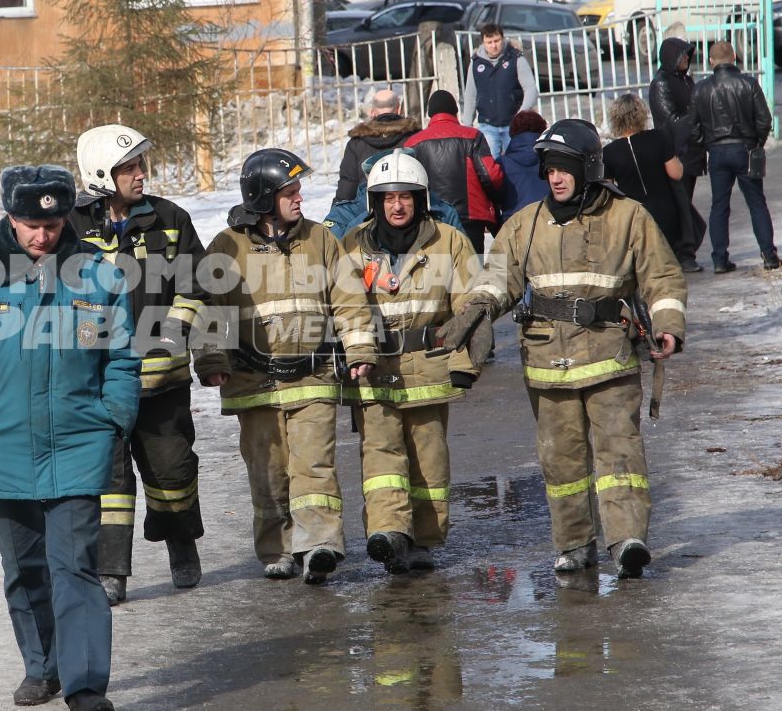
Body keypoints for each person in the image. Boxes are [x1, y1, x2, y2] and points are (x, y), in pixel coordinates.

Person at [0, 165, 140, 711]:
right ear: (9, 217)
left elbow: (122, 359)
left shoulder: (97, 276)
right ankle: (42, 666)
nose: (42, 235)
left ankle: (84, 686)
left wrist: (112, 418)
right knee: (24, 569)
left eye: (52, 223)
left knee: (74, 567)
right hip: (1, 444)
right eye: (30, 224)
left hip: (78, 441)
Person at [437, 120, 687, 579]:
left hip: (610, 357)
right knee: (562, 461)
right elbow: (499, 278)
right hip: (547, 365)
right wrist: (478, 308)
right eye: (550, 167)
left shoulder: (627, 217)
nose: (555, 177)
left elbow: (662, 276)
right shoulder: (524, 225)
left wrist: (667, 322)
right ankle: (574, 544)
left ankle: (626, 538)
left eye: (565, 167)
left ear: (587, 167)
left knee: (620, 455)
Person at [193, 149, 356, 585]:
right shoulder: (227, 247)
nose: (300, 198)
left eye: (299, 190)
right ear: (264, 197)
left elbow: (350, 300)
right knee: (267, 472)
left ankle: (320, 544)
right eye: (290, 192)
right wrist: (211, 361)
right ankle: (278, 549)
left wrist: (360, 353)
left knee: (315, 466)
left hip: (313, 376)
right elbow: (209, 308)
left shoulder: (320, 239)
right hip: (254, 381)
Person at [68, 125, 207, 605]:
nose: (141, 174)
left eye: (141, 165)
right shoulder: (70, 227)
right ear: (103, 173)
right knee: (109, 481)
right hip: (98, 387)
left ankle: (181, 545)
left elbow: (196, 284)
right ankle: (111, 572)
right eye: (130, 167)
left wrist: (172, 333)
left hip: (161, 383)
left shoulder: (171, 218)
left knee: (172, 471)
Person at [333, 150, 485, 576]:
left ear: (420, 199)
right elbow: (343, 308)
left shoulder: (449, 241)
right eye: (387, 197)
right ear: (374, 202)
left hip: (430, 366)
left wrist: (466, 363)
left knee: (428, 458)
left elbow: (471, 304)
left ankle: (423, 540)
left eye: (405, 196)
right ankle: (388, 533)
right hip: (373, 367)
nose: (396, 205)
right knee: (381, 456)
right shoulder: (352, 247)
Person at [696, 39, 781, 273]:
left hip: (717, 152)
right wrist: (756, 144)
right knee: (756, 202)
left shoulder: (701, 88)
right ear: (734, 58)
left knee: (719, 205)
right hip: (744, 149)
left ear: (711, 62)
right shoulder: (749, 84)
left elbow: (693, 127)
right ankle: (769, 255)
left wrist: (707, 145)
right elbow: (764, 120)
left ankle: (719, 259)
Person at [407, 89, 505, 252]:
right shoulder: (472, 136)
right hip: (470, 218)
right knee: (471, 271)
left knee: (438, 271)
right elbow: (491, 175)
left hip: (430, 218)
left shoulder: (413, 143)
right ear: (455, 111)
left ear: (430, 113)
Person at [323, 89, 424, 236]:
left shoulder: (356, 143)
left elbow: (347, 185)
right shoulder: (414, 138)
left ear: (372, 112)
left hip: (365, 211)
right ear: (399, 109)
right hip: (405, 210)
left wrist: (338, 213)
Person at [647, 37, 707, 271]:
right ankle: (682, 253)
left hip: (690, 152)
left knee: (684, 203)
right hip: (676, 152)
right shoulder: (662, 83)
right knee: (679, 204)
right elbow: (670, 120)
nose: (686, 59)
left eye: (688, 55)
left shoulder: (685, 80)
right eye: (682, 55)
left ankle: (683, 251)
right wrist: (695, 120)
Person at [602, 93, 686, 255]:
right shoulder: (658, 137)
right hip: (665, 210)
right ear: (641, 115)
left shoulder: (609, 152)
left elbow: (608, 188)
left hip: (633, 214)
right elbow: (676, 173)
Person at [464, 21, 540, 158]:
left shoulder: (515, 58)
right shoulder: (475, 64)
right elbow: (470, 95)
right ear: (483, 43)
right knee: (489, 166)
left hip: (513, 125)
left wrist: (521, 114)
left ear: (503, 39)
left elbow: (531, 89)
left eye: (497, 40)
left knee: (517, 160)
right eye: (489, 42)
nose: (494, 45)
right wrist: (467, 124)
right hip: (487, 125)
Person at [496, 108, 550, 224]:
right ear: (542, 131)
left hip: (514, 223)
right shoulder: (551, 159)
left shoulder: (501, 164)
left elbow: (496, 196)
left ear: (512, 132)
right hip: (547, 220)